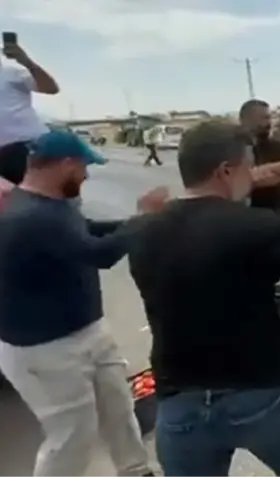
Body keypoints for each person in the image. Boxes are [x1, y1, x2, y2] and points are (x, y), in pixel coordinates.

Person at [126, 120, 280, 477]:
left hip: (179, 400)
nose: (253, 176)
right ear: (226, 171)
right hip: (262, 393)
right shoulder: (262, 227)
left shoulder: (142, 231)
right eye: (249, 167)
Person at [0, 130, 166, 477]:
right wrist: (144, 218)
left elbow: (88, 231)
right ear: (66, 164)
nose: (87, 175)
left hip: (87, 329)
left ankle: (135, 470)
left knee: (118, 408)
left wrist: (136, 225)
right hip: (46, 349)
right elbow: (99, 253)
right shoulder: (30, 216)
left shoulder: (51, 205)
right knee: (73, 433)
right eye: (84, 167)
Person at [0, 40, 59, 187]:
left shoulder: (12, 73)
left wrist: (26, 61)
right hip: (3, 154)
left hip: (26, 149)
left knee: (41, 201)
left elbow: (51, 88)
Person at [239, 99, 280, 220]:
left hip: (277, 213)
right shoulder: (233, 146)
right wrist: (279, 170)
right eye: (264, 118)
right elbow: (248, 179)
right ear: (246, 120)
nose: (269, 123)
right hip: (248, 217)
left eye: (269, 118)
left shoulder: (272, 145)